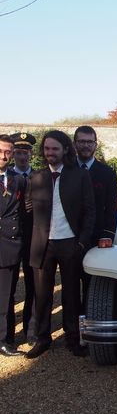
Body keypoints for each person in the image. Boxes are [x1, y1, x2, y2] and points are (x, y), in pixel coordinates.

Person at [25, 130, 95, 359]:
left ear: (65, 149)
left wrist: (82, 243)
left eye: (54, 148)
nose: (49, 153)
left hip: (70, 243)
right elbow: (27, 211)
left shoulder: (79, 175)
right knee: (42, 295)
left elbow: (89, 211)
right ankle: (42, 338)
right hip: (43, 245)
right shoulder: (36, 178)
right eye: (46, 149)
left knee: (71, 294)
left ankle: (73, 338)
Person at [73, 125, 117, 308]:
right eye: (82, 142)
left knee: (94, 283)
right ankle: (73, 328)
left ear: (95, 145)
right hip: (71, 237)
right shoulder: (66, 171)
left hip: (97, 238)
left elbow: (112, 208)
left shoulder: (107, 173)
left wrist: (107, 235)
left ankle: (93, 323)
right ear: (75, 144)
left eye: (89, 142)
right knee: (70, 285)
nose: (85, 146)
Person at [6, 132, 36, 344]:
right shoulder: (6, 178)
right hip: (10, 240)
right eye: (17, 152)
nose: (21, 157)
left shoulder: (40, 177)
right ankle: (7, 334)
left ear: (31, 154)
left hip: (35, 239)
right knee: (8, 288)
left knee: (34, 287)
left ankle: (30, 330)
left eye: (25, 152)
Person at [0, 135, 28, 357]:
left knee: (5, 296)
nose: (4, 155)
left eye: (8, 152)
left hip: (8, 245)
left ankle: (5, 339)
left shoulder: (17, 180)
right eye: (1, 150)